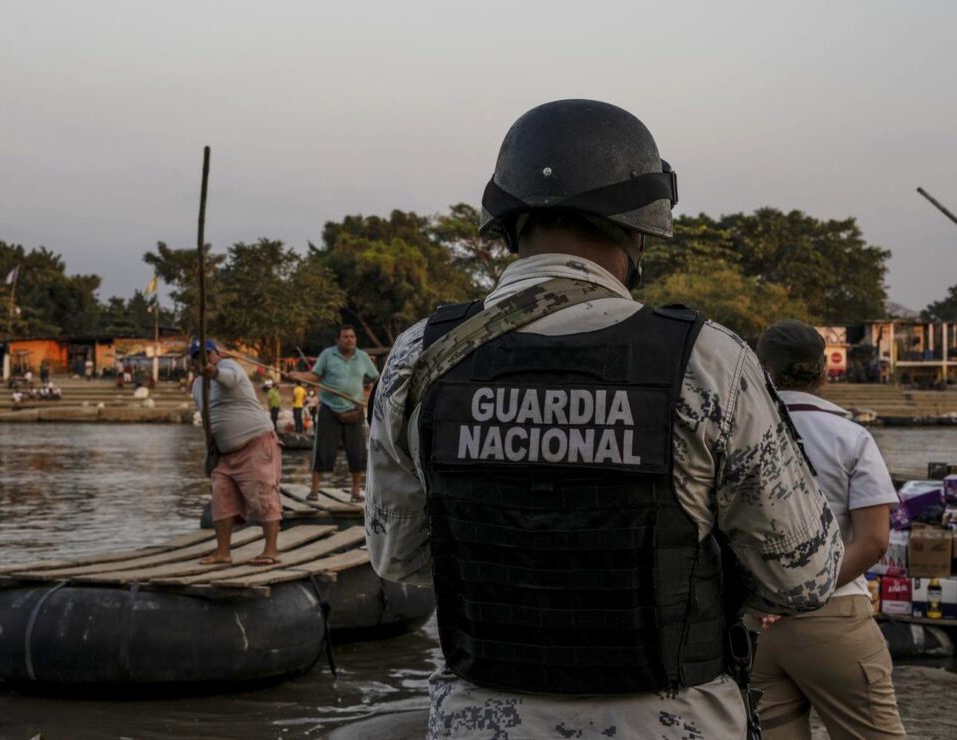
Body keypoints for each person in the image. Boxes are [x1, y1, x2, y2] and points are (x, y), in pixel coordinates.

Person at [366, 100, 843, 739]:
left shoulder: (416, 358)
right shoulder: (708, 361)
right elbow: (803, 579)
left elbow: (399, 559)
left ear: (507, 222)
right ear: (639, 229)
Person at [753, 320, 904, 739]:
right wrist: (800, 592)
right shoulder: (851, 437)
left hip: (754, 627)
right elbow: (873, 541)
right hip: (834, 618)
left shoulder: (733, 436)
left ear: (762, 370)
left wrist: (771, 596)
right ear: (823, 371)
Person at [191, 339, 283, 566]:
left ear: (216, 354)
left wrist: (213, 372)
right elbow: (208, 418)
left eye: (207, 354)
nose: (203, 359)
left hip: (255, 443)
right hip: (224, 453)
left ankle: (270, 551)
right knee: (221, 499)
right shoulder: (197, 385)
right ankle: (223, 552)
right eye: (197, 356)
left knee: (263, 497)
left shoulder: (229, 367)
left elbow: (229, 380)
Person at [292, 326, 379, 503]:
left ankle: (356, 492)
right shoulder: (327, 355)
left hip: (354, 409)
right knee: (322, 451)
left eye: (352, 336)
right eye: (345, 337)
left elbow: (377, 378)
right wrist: (298, 375)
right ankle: (314, 491)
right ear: (337, 340)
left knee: (357, 453)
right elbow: (315, 376)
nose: (350, 340)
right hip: (330, 409)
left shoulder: (362, 357)